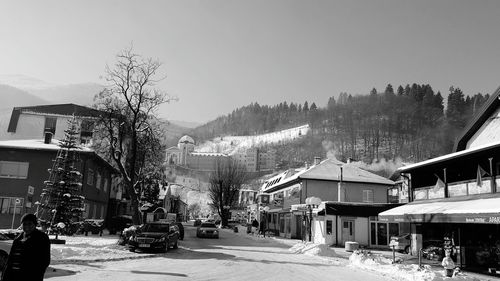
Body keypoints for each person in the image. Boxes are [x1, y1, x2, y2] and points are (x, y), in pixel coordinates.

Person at [2, 213, 51, 281]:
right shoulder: (18, 239)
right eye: (24, 224)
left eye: (30, 223)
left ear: (35, 224)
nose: (27, 226)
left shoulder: (41, 238)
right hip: (13, 276)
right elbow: (10, 260)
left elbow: (45, 260)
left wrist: (35, 275)